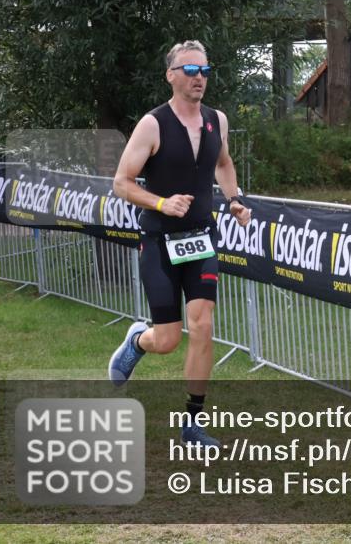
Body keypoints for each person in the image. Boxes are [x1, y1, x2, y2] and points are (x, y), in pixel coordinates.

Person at [108, 40, 251, 448]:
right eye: (190, 71)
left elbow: (222, 164)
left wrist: (235, 200)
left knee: (203, 325)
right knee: (168, 340)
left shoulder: (216, 120)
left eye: (204, 70)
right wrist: (160, 202)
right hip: (159, 242)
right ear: (171, 75)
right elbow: (121, 183)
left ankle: (192, 425)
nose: (199, 78)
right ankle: (138, 340)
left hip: (202, 238)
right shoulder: (153, 124)